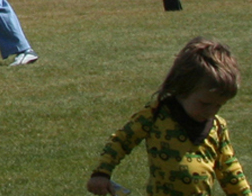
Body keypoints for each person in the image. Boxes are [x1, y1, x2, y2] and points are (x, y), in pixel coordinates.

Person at [87, 36, 247, 195]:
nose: (211, 111)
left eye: (219, 105)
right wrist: (102, 173)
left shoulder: (217, 128)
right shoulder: (156, 115)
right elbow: (122, 141)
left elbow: (230, 170)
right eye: (204, 104)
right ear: (183, 88)